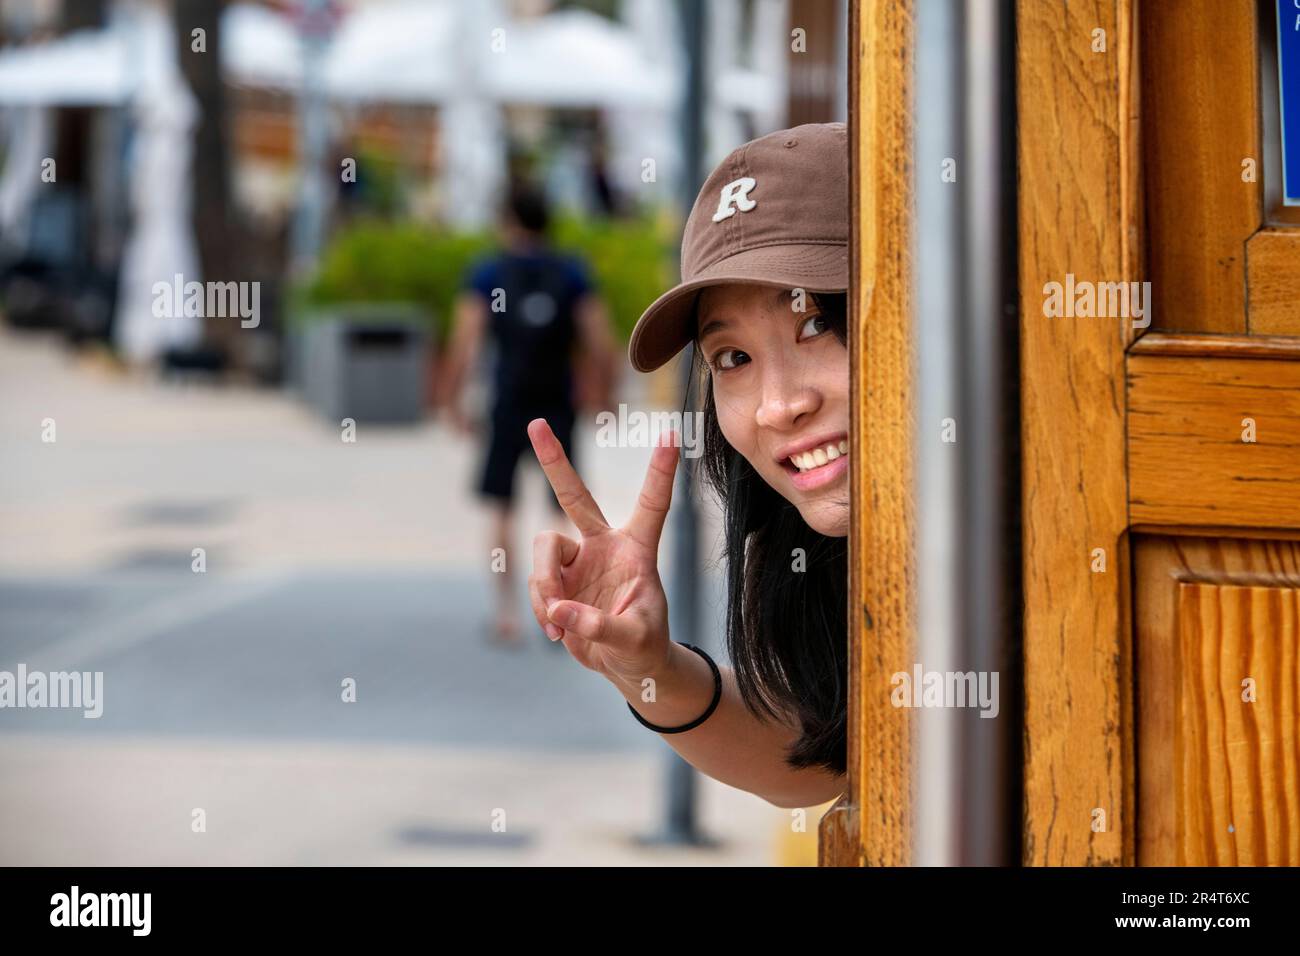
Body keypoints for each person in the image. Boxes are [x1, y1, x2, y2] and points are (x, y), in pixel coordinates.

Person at [525, 123, 849, 808]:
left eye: (816, 322)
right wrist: (651, 670)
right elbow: (827, 761)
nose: (779, 405)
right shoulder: (822, 557)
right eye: (733, 358)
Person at [441, 182, 620, 647]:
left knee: (502, 507)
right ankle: (560, 612)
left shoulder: (488, 273)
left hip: (508, 402)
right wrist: (605, 396)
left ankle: (506, 616)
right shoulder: (571, 272)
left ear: (508, 221)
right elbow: (601, 342)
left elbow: (466, 340)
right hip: (557, 403)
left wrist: (452, 399)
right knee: (563, 507)